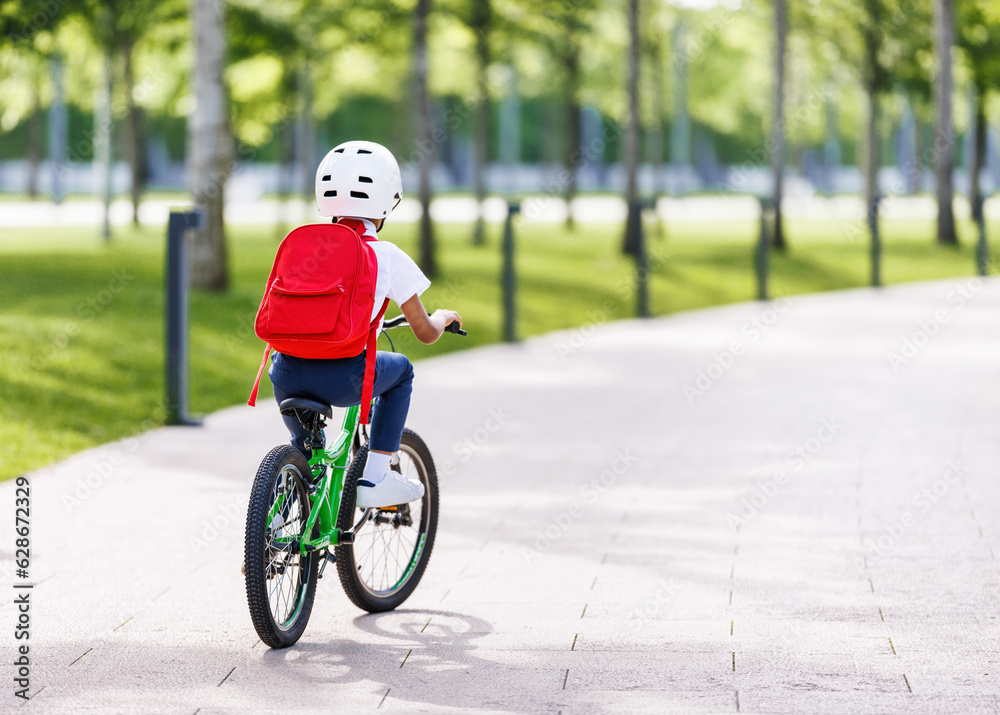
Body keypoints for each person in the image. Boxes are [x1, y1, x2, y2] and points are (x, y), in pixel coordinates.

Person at [268, 140, 461, 508]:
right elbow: (425, 332)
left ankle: (274, 527)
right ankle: (375, 479)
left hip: (286, 373)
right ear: (388, 201)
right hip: (344, 380)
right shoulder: (386, 256)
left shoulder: (304, 246)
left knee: (306, 454)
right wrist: (442, 317)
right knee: (401, 371)